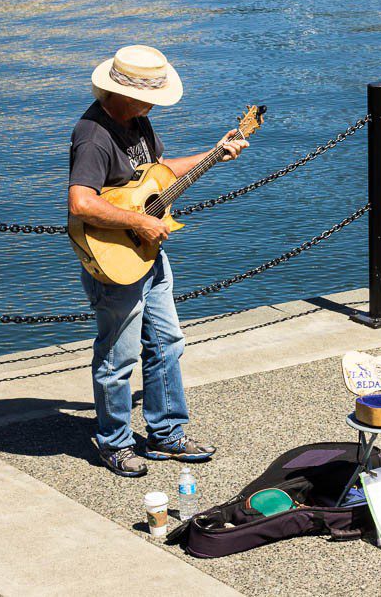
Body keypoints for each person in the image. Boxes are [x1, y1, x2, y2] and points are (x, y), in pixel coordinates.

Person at [67, 45, 249, 477]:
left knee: (167, 342)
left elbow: (158, 173)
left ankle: (167, 435)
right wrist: (140, 223)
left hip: (148, 254)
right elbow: (79, 203)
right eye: (151, 95)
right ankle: (114, 443)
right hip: (116, 261)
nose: (156, 103)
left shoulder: (138, 121)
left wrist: (213, 154)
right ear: (125, 94)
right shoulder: (93, 135)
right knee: (118, 357)